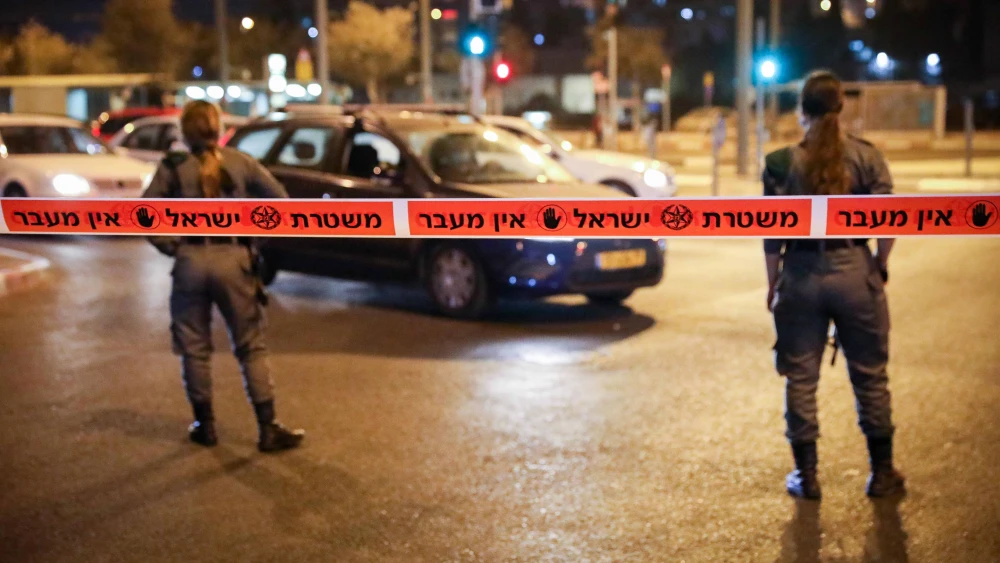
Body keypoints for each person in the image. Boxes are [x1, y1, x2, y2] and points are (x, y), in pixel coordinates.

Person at [763, 71, 904, 500]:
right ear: (841, 107)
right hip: (854, 271)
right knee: (870, 377)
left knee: (800, 379)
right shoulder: (867, 157)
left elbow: (771, 233)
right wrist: (877, 265)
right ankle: (881, 473)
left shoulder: (780, 162)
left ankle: (807, 478)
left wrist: (773, 285)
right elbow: (891, 219)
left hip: (801, 275)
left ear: (801, 111)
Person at [142, 100, 304, 453]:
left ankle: (206, 426)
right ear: (217, 128)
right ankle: (267, 428)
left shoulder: (172, 166)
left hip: (190, 261)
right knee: (250, 346)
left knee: (194, 348)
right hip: (235, 262)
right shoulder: (241, 162)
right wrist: (253, 244)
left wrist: (173, 247)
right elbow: (280, 203)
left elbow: (145, 213)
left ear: (185, 130)